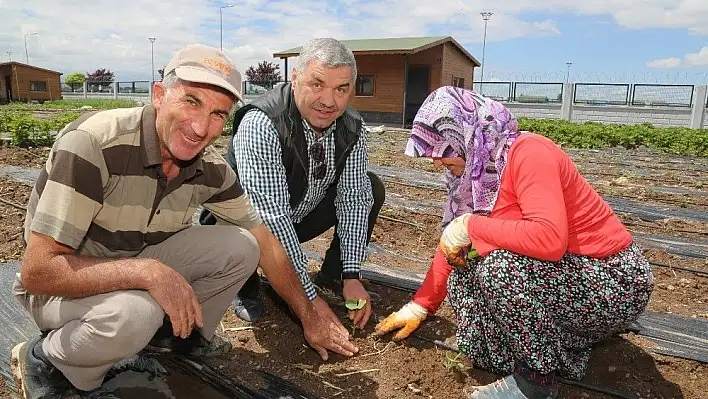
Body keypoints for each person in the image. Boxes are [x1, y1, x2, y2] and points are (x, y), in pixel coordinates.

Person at [11, 43, 358, 399]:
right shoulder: (94, 143)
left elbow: (265, 239)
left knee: (243, 245)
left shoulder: (208, 168)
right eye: (191, 101)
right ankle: (48, 361)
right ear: (159, 94)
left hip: (132, 262)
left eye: (218, 114)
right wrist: (147, 273)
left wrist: (310, 314)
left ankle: (170, 343)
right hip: (59, 287)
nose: (200, 127)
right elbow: (39, 271)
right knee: (135, 314)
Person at [373, 87, 654, 399]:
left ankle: (536, 381)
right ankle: (561, 348)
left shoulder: (529, 154)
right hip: (568, 275)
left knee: (497, 267)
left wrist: (471, 225)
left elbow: (549, 240)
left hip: (612, 280)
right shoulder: (476, 176)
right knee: (464, 276)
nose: (438, 162)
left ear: (470, 136)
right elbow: (451, 246)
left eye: (445, 149)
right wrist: (420, 306)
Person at [201, 37, 385, 330]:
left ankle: (334, 275)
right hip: (247, 226)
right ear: (295, 78)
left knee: (369, 188)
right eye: (317, 84)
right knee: (245, 238)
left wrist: (352, 274)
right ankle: (245, 288)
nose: (329, 101)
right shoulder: (262, 123)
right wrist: (309, 300)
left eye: (341, 89)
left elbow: (352, 198)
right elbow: (270, 219)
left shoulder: (352, 127)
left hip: (297, 214)